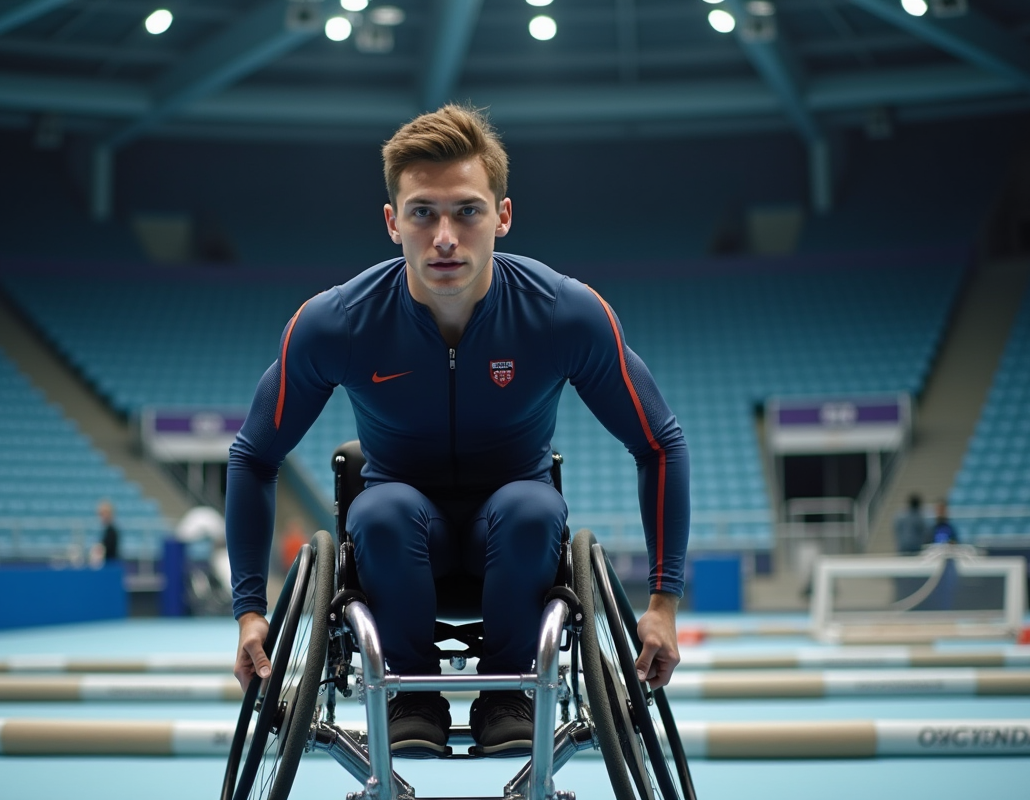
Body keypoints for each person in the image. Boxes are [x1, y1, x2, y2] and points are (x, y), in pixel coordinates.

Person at [226, 104, 689, 758]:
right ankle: (411, 697)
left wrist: (663, 606)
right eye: (423, 213)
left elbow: (659, 443)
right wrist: (251, 612)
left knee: (530, 507)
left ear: (503, 216)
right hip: (399, 538)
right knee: (380, 510)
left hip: (517, 535)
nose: (444, 237)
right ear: (393, 222)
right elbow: (253, 455)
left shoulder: (563, 313)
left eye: (467, 211)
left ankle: (511, 696)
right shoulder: (338, 322)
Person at [89, 499, 119, 567]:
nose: (101, 517)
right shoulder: (106, 530)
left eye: (103, 514)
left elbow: (107, 549)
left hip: (110, 565)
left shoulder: (112, 530)